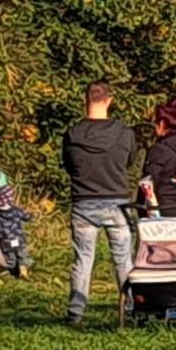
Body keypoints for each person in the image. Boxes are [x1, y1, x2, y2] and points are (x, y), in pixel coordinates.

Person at [61, 81, 137, 325]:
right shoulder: (124, 133)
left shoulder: (72, 134)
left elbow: (68, 165)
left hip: (84, 203)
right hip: (118, 202)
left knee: (83, 259)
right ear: (109, 100)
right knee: (123, 259)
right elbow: (129, 161)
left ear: (85, 101)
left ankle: (76, 311)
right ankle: (131, 307)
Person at [138, 98, 176, 218]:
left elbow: (147, 185)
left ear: (162, 124)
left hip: (162, 211)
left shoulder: (159, 150)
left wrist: (141, 212)